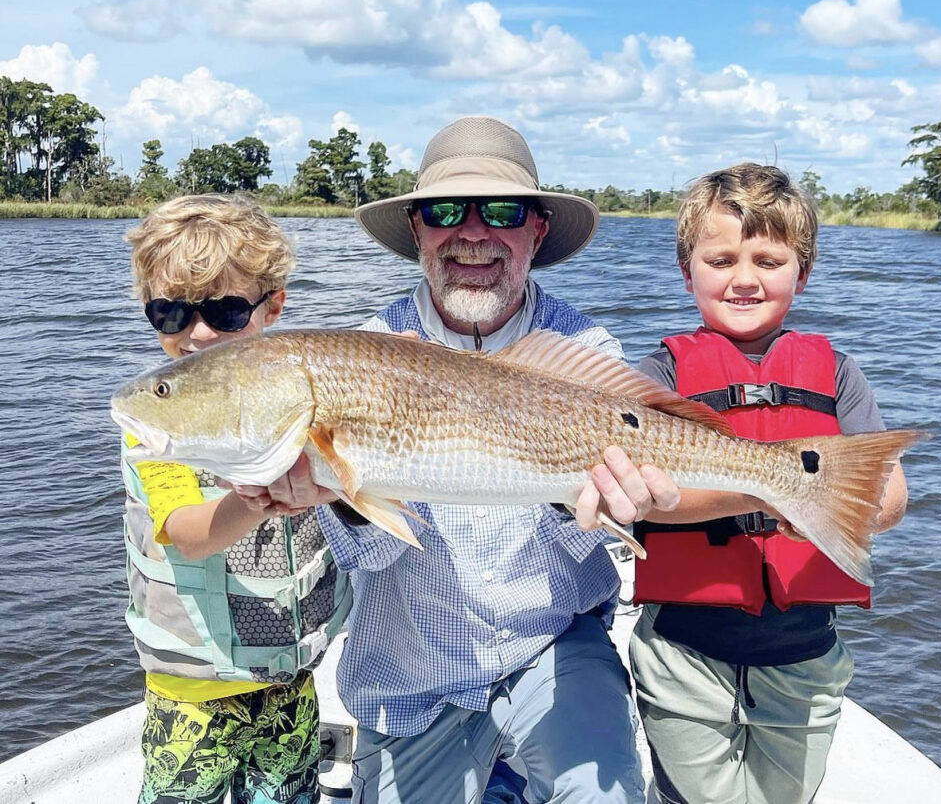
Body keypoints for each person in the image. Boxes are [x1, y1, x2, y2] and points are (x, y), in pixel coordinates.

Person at [236, 116, 680, 804]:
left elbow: (606, 521)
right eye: (445, 211)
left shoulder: (585, 353)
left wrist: (595, 499)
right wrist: (332, 486)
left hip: (555, 650)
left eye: (500, 211)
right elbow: (374, 558)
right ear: (417, 230)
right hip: (413, 678)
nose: (472, 232)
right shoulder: (358, 354)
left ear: (536, 229)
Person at [619, 163, 909, 804]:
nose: (743, 278)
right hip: (683, 653)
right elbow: (647, 501)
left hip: (804, 656)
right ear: (686, 269)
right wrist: (764, 492)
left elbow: (888, 492)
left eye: (768, 261)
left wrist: (857, 508)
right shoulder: (653, 376)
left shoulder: (837, 373)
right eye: (720, 259)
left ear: (801, 273)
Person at [121, 194, 351, 804]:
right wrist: (257, 498)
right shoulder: (159, 422)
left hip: (288, 682)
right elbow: (189, 535)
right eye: (170, 313)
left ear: (273, 306)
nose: (197, 334)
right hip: (191, 699)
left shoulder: (306, 399)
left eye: (225, 311)